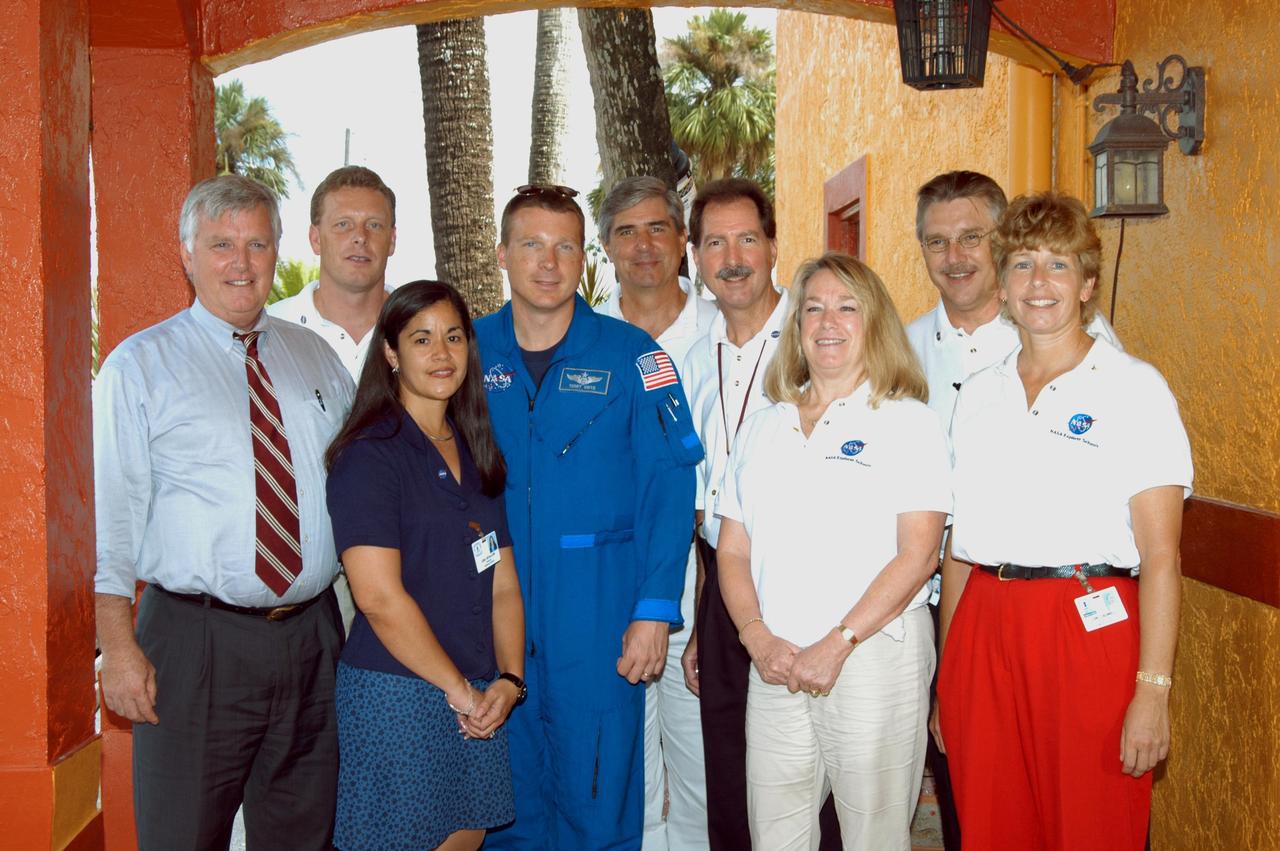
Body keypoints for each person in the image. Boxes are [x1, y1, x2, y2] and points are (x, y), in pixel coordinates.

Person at [94, 174, 353, 850]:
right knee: (183, 836)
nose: (241, 262)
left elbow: (364, 484)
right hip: (193, 643)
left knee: (305, 837)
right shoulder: (138, 367)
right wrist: (118, 647)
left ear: (277, 252)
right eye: (220, 245)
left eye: (256, 244)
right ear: (187, 254)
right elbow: (114, 516)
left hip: (313, 638)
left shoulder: (317, 358)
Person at [936, 192, 1192, 850]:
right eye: (1022, 264)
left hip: (1091, 628)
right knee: (992, 827)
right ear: (1002, 280)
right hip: (984, 631)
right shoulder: (980, 394)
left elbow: (1162, 557)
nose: (1039, 282)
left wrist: (1153, 692)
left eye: (1057, 264)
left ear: (1086, 283)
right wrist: (947, 678)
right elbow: (959, 552)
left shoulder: (1135, 388)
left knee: (1093, 825)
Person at [475, 184, 703, 849]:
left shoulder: (637, 357)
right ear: (503, 254)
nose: (549, 262)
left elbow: (669, 486)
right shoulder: (464, 352)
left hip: (599, 621)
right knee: (501, 810)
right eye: (531, 245)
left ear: (585, 259)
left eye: (565, 246)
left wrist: (655, 609)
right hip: (493, 615)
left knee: (598, 803)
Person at [906, 170, 1122, 849]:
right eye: (937, 241)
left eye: (973, 236)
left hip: (1050, 606)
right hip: (933, 609)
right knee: (976, 805)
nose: (956, 257)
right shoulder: (900, 349)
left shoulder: (1080, 342)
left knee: (1076, 807)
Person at [716, 251, 951, 849]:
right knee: (775, 836)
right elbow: (733, 550)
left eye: (848, 308)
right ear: (796, 328)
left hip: (872, 656)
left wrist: (838, 642)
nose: (828, 321)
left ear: (875, 324)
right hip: (775, 661)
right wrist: (756, 637)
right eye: (813, 308)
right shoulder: (762, 426)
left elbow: (918, 555)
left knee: (874, 836)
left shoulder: (909, 423)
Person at [325, 281, 525, 851]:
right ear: (391, 353)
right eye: (421, 339)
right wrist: (461, 692)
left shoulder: (474, 448)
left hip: (479, 693)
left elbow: (503, 585)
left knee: (466, 837)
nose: (442, 354)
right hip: (399, 698)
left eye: (454, 337)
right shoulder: (370, 454)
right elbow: (378, 598)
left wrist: (509, 682)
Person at [597, 176, 718, 850]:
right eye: (625, 231)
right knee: (626, 768)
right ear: (607, 247)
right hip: (613, 576)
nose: (643, 245)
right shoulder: (582, 335)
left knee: (701, 763)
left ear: (681, 241)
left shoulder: (723, 328)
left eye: (658, 229)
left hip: (706, 575)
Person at [677, 177, 785, 851]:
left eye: (748, 238)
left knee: (799, 772)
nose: (733, 257)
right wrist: (700, 621)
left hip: (797, 576)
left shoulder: (818, 338)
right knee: (727, 762)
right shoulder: (692, 358)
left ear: (774, 246)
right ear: (697, 256)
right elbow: (695, 500)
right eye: (715, 242)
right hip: (722, 579)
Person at [270, 164, 399, 633]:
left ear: (393, 239)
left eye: (374, 225)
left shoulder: (427, 333)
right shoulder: (267, 334)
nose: (359, 238)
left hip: (407, 571)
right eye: (343, 225)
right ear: (315, 238)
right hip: (306, 582)